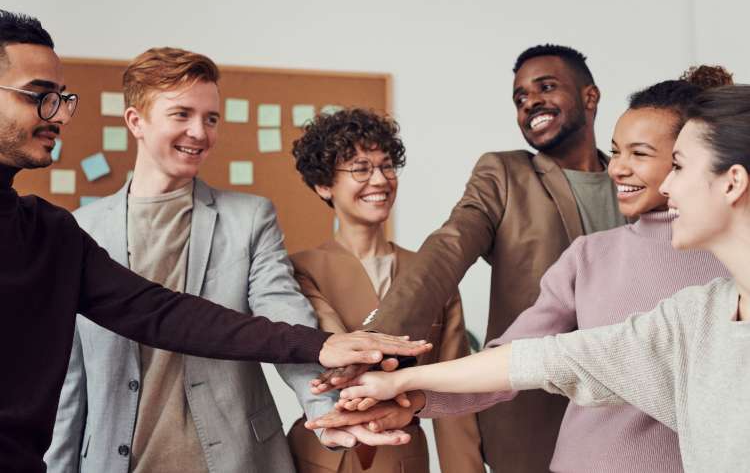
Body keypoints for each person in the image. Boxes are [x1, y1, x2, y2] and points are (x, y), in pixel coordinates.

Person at [0, 10, 429, 473]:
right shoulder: (82, 225)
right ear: (136, 121)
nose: (199, 132)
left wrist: (318, 365)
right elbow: (72, 385)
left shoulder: (52, 233)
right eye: (39, 97)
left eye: (212, 118)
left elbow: (167, 312)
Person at [311, 83, 750, 473]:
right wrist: (405, 388)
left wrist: (401, 383)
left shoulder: (714, 282)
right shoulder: (650, 288)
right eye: (616, 152)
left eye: (650, 157)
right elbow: (533, 357)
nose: (616, 168)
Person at [314, 43, 626, 472]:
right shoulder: (505, 174)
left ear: (589, 96)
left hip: (632, 412)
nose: (530, 101)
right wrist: (380, 339)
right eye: (519, 97)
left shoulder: (636, 183)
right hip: (533, 417)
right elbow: (447, 249)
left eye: (545, 87)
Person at [286, 109, 484, 473]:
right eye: (360, 168)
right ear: (323, 185)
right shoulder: (298, 270)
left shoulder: (431, 271)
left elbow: (455, 387)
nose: (379, 179)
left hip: (403, 456)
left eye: (387, 165)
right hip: (319, 457)